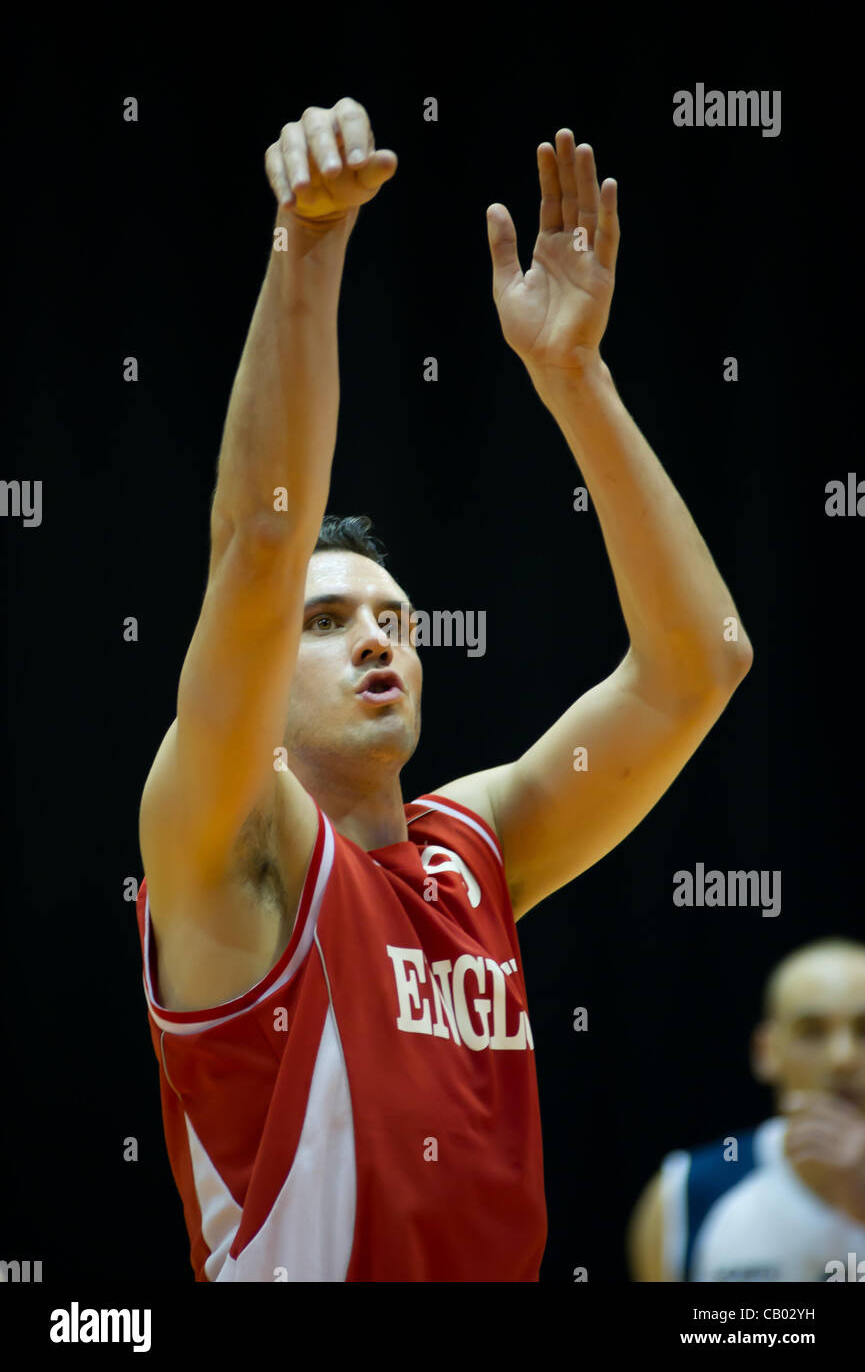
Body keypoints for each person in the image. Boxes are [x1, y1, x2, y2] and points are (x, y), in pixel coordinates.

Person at [135, 96, 752, 1281]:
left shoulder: (474, 851)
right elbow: (257, 548)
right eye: (326, 623)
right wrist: (306, 247)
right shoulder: (226, 847)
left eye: (394, 620)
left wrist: (573, 375)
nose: (376, 641)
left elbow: (699, 663)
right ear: (261, 667)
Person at [627, 938, 865, 1281]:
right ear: (766, 1051)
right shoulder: (686, 1192)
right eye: (811, 1032)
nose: (842, 1058)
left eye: (864, 1030)